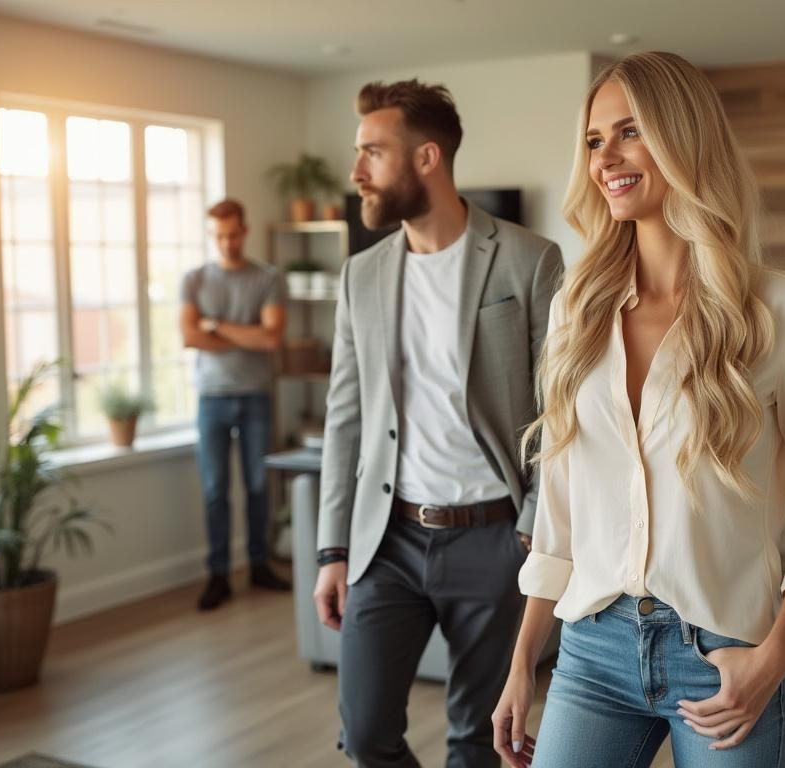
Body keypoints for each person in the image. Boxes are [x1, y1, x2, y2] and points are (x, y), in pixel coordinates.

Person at [492, 51, 785, 767]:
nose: (606, 158)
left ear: (684, 139)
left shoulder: (782, 311)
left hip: (723, 656)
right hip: (592, 650)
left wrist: (775, 656)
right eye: (595, 140)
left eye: (630, 132)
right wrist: (520, 664)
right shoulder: (577, 309)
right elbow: (559, 511)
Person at [313, 79, 563, 767]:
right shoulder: (361, 275)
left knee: (476, 742)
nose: (356, 171)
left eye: (373, 152)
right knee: (365, 734)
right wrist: (333, 549)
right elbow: (345, 417)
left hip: (492, 540)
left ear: (427, 157)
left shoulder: (528, 259)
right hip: (385, 541)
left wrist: (530, 526)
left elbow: (559, 412)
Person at [180, 198, 292, 611]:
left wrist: (216, 325)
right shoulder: (194, 280)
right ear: (213, 236)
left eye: (233, 235)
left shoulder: (268, 278)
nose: (226, 243)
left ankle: (259, 565)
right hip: (211, 398)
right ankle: (218, 575)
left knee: (259, 485)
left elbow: (270, 339)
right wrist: (242, 333)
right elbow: (190, 337)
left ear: (244, 232)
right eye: (219, 236)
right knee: (214, 489)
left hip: (255, 397)